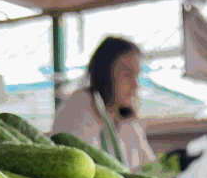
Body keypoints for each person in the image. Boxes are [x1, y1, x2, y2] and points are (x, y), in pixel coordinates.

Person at [52, 36, 156, 170]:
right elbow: (82, 168)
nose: (135, 84)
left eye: (136, 76)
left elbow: (149, 166)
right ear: (104, 73)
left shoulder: (128, 121)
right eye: (127, 74)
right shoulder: (78, 108)